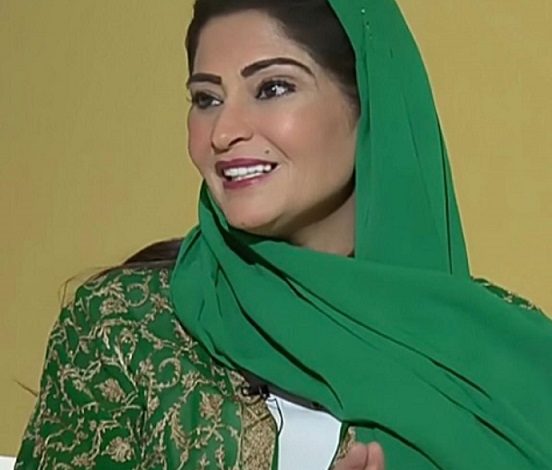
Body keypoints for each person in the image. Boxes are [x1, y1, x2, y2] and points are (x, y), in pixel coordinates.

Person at [15, 0, 552, 468]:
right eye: (206, 98)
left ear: (370, 104)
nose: (224, 132)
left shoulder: (506, 352)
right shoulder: (125, 330)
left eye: (272, 88)